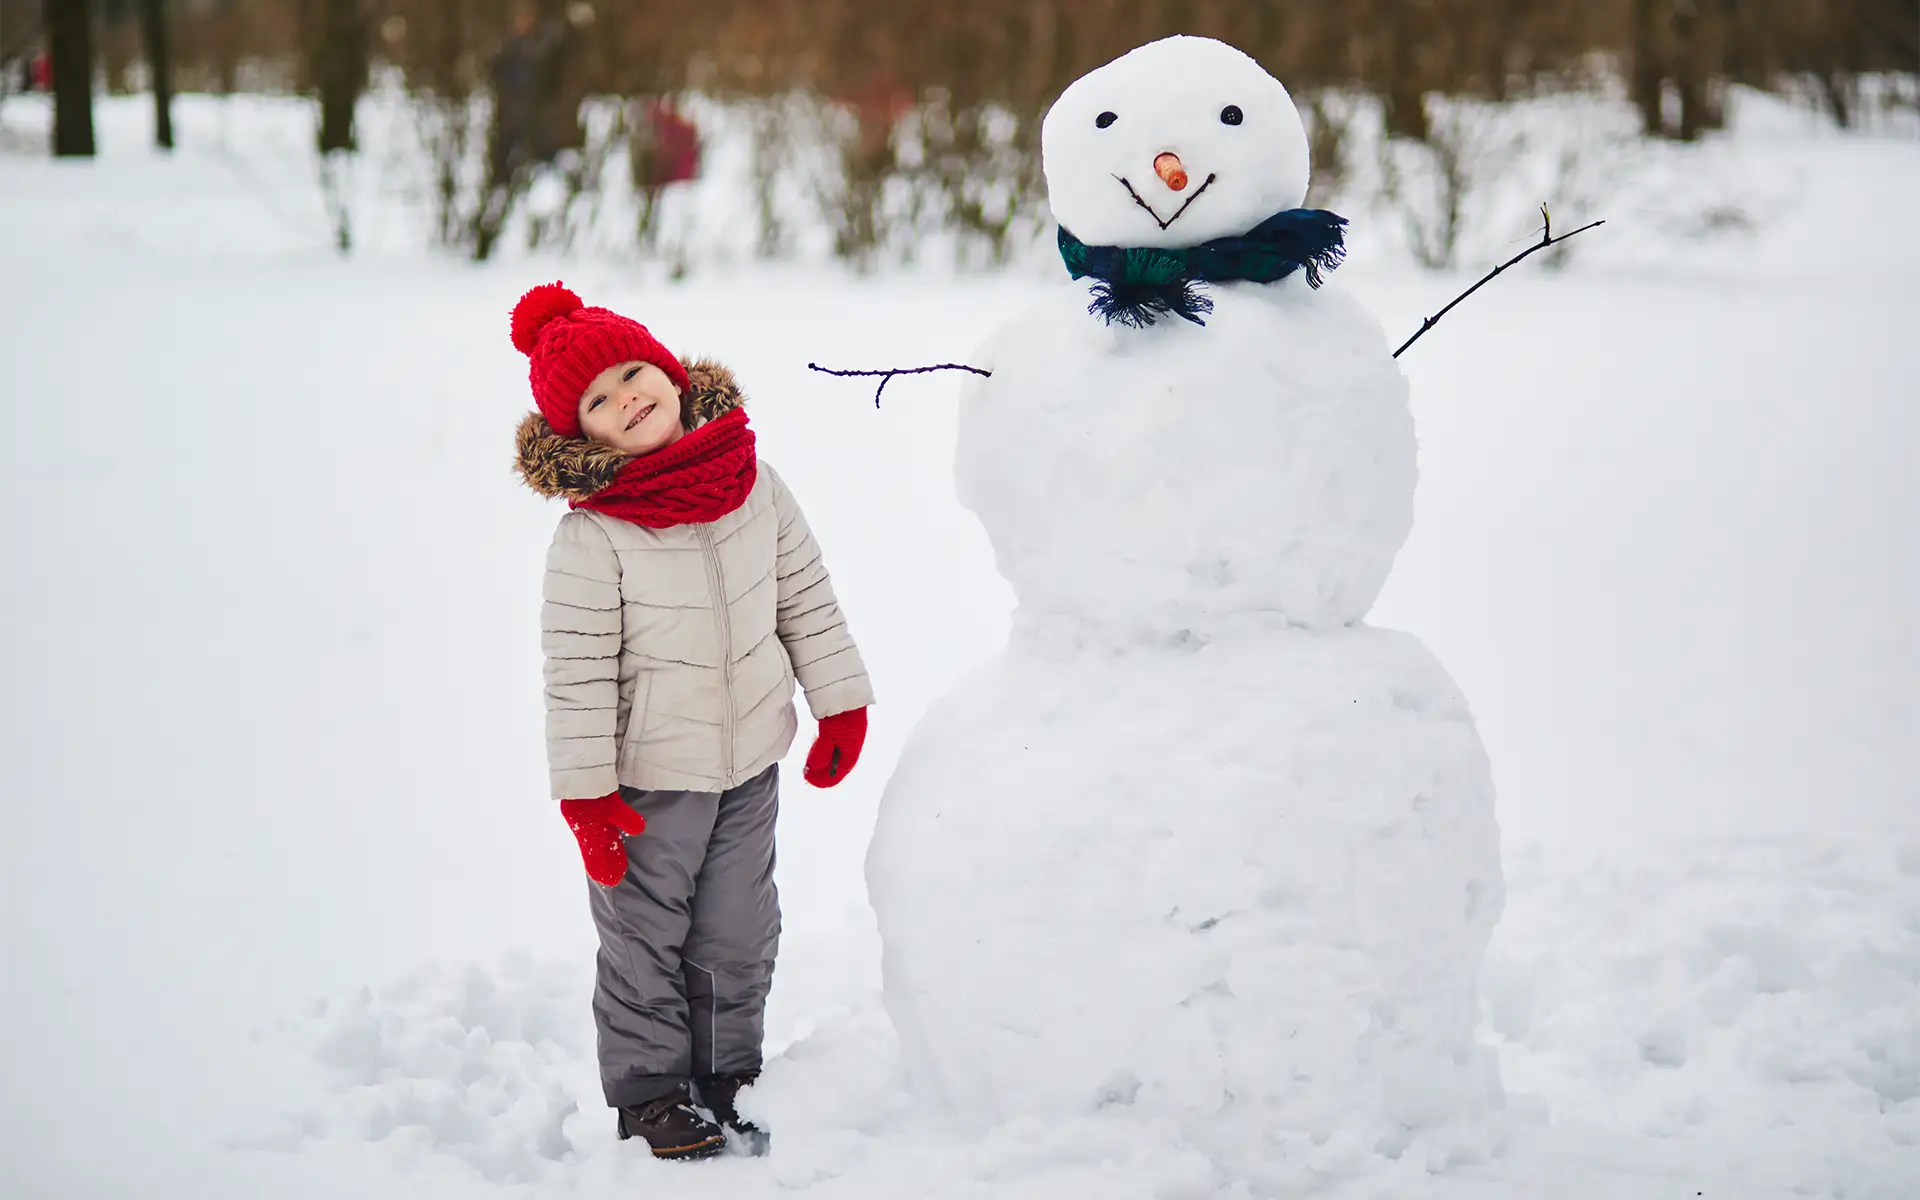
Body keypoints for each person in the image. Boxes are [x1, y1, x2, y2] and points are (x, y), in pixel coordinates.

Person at [509, 282, 874, 1159]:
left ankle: (727, 1074)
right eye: (597, 399)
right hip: (646, 783)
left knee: (741, 929)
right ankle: (649, 1093)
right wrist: (589, 799)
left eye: (635, 372)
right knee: (645, 938)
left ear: (671, 374)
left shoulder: (753, 481)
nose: (627, 396)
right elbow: (580, 677)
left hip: (749, 761)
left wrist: (840, 700)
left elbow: (804, 599)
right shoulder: (593, 537)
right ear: (579, 435)